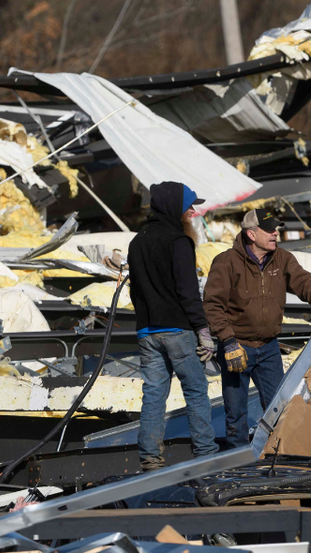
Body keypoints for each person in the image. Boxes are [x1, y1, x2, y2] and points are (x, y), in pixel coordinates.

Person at [204, 208, 311, 447]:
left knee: (280, 409)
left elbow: (304, 281)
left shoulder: (281, 258)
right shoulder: (226, 262)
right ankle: (238, 462)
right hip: (236, 346)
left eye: (276, 229)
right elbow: (212, 305)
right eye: (270, 230)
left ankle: (277, 454)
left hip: (269, 348)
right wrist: (228, 341)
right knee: (236, 414)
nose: (276, 234)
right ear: (252, 234)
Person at [128, 181, 219, 471]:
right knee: (195, 390)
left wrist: (144, 322)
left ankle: (150, 458)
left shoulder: (137, 242)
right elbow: (188, 292)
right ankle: (206, 455)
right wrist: (203, 332)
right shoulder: (179, 242)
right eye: (188, 206)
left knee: (154, 394)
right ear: (174, 207)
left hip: (147, 332)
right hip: (178, 331)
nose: (193, 211)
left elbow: (135, 291)